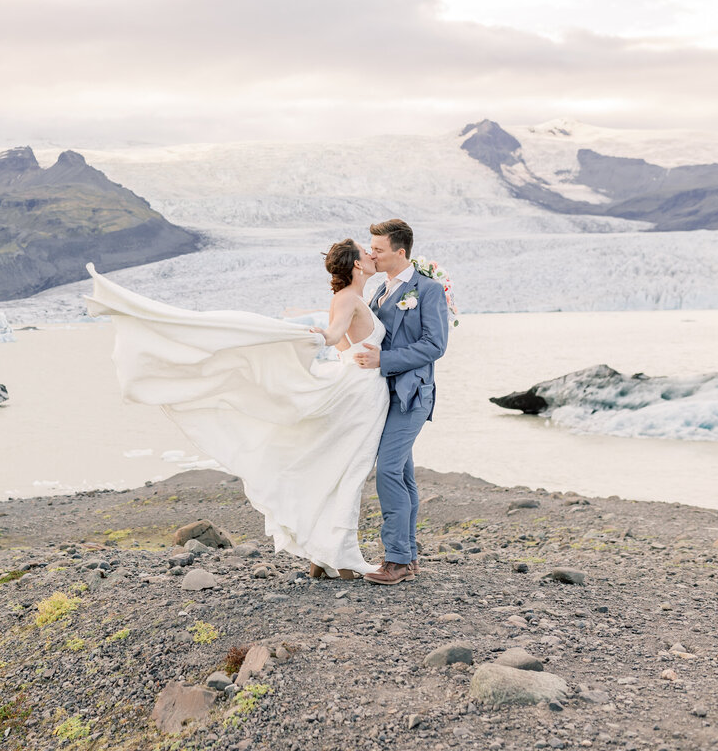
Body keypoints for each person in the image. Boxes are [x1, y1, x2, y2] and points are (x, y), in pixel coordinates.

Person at [83, 239, 389, 578]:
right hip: (360, 391)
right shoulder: (347, 298)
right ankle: (342, 556)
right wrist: (314, 337)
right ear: (357, 265)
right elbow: (333, 337)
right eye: (367, 252)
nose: (373, 255)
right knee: (348, 473)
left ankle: (326, 555)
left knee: (340, 470)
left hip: (362, 389)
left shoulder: (357, 297)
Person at [353, 219, 450, 585]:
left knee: (389, 470)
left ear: (400, 252)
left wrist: (385, 361)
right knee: (404, 474)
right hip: (383, 398)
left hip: (412, 395)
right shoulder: (379, 290)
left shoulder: (427, 290)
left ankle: (394, 560)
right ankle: (407, 558)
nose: (372, 253)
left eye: (377, 249)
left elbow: (434, 345)